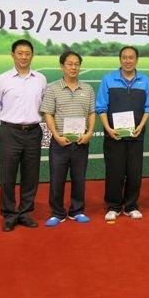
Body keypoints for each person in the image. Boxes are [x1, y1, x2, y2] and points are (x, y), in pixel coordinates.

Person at [0, 39, 47, 232]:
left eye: (27, 53)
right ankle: (9, 214)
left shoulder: (40, 79)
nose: (24, 57)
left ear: (32, 56)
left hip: (34, 132)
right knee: (8, 175)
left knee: (31, 175)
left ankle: (25, 212)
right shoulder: (2, 79)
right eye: (20, 53)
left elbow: (44, 104)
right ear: (12, 55)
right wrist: (8, 124)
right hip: (10, 132)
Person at [96, 46, 149, 220]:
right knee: (115, 172)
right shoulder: (108, 79)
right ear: (120, 60)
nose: (128, 61)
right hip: (114, 136)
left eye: (131, 57)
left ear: (137, 60)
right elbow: (101, 107)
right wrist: (108, 128)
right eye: (125, 57)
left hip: (136, 135)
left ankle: (131, 206)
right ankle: (113, 206)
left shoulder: (145, 80)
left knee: (134, 172)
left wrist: (140, 126)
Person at [41, 51, 95, 226]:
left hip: (81, 142)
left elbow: (92, 112)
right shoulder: (53, 88)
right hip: (60, 142)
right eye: (69, 64)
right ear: (62, 66)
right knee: (57, 179)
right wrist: (56, 135)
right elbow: (48, 114)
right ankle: (57, 213)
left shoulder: (87, 89)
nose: (73, 67)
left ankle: (77, 211)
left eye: (76, 64)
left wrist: (89, 133)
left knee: (79, 179)